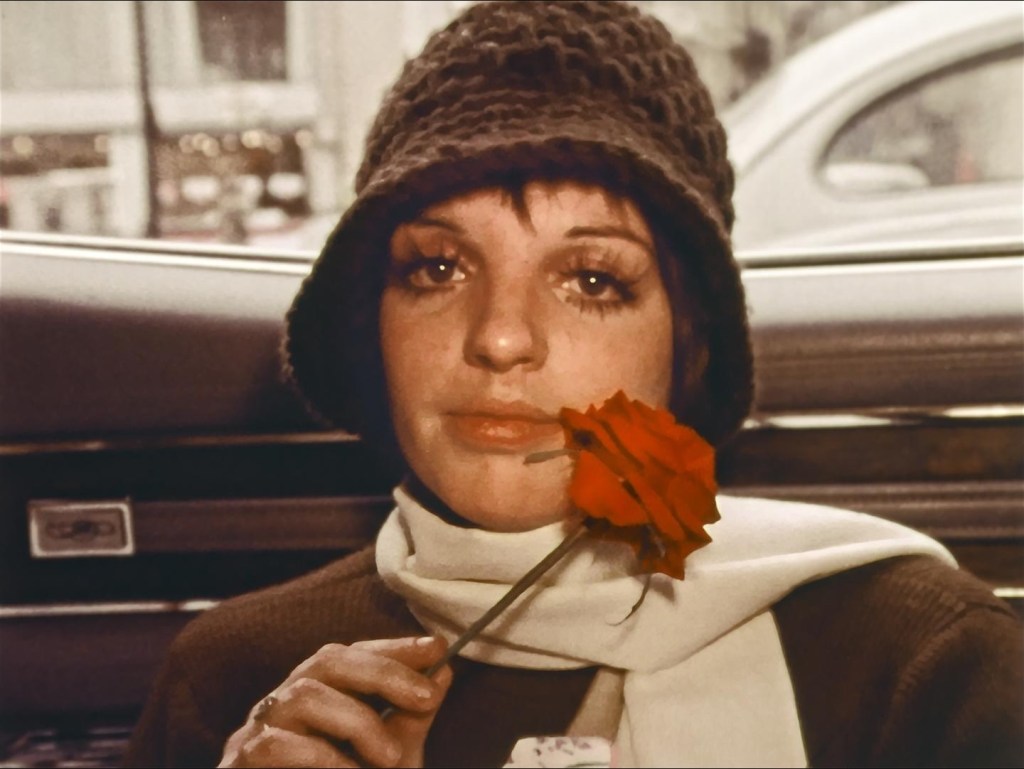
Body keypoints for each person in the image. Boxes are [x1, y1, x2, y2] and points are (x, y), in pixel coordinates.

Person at [125, 2, 1024, 767]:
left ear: (689, 340)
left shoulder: (923, 665)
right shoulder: (233, 686)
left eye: (593, 279)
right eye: (438, 268)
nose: (501, 337)